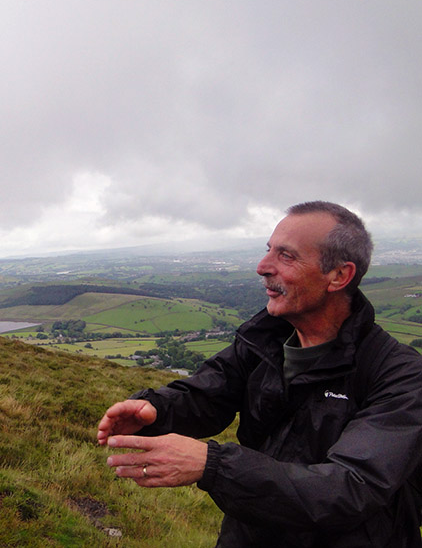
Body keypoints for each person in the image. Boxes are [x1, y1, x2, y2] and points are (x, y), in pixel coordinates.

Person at [97, 201, 422, 547]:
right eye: (268, 251)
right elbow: (209, 394)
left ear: (339, 276)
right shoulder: (264, 340)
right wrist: (157, 409)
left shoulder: (399, 375)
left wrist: (214, 466)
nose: (262, 267)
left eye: (287, 256)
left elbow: (350, 487)